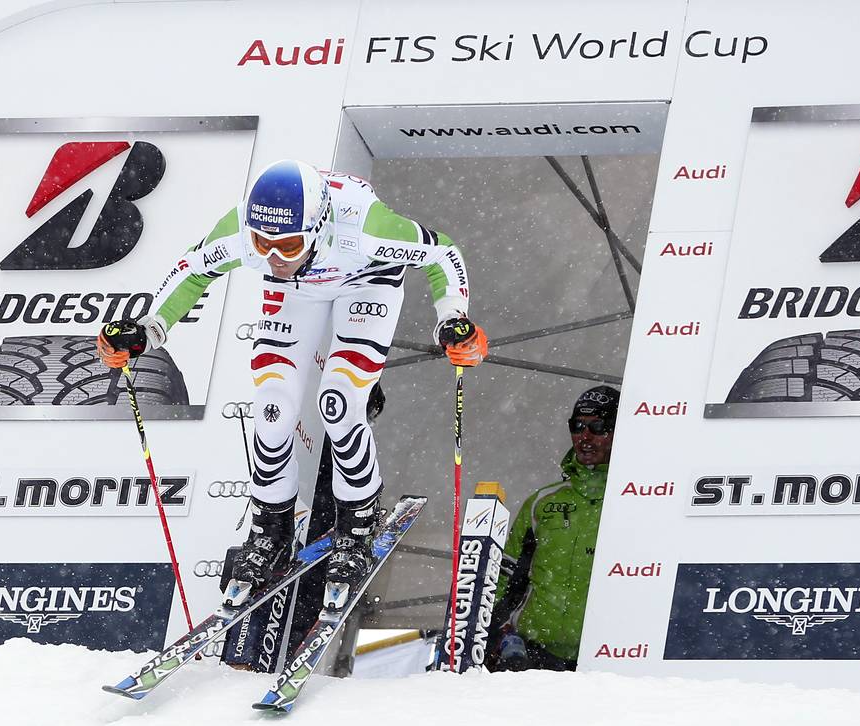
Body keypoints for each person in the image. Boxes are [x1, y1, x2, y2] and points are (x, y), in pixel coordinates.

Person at [96, 160, 488, 608]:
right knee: (273, 410)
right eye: (263, 244)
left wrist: (452, 320)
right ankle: (270, 530)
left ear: (319, 227)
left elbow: (442, 253)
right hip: (297, 293)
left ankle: (357, 529)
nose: (274, 257)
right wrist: (148, 329)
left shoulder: (369, 227)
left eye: (287, 244)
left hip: (367, 282)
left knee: (339, 404)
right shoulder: (246, 229)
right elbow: (193, 269)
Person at [490, 385, 617, 672]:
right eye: (578, 426)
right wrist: (492, 632)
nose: (585, 437)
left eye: (598, 427)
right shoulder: (543, 502)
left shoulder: (636, 499)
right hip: (535, 655)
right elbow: (506, 576)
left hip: (605, 661)